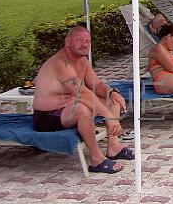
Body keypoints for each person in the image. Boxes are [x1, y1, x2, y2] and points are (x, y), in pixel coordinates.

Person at [33, 27, 133, 174]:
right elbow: (82, 92)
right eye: (79, 40)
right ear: (67, 42)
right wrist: (109, 116)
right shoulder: (62, 62)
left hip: (69, 108)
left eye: (87, 41)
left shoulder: (83, 61)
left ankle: (114, 147)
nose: (85, 44)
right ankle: (96, 159)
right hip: (47, 117)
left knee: (113, 100)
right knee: (81, 109)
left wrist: (112, 92)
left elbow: (96, 85)